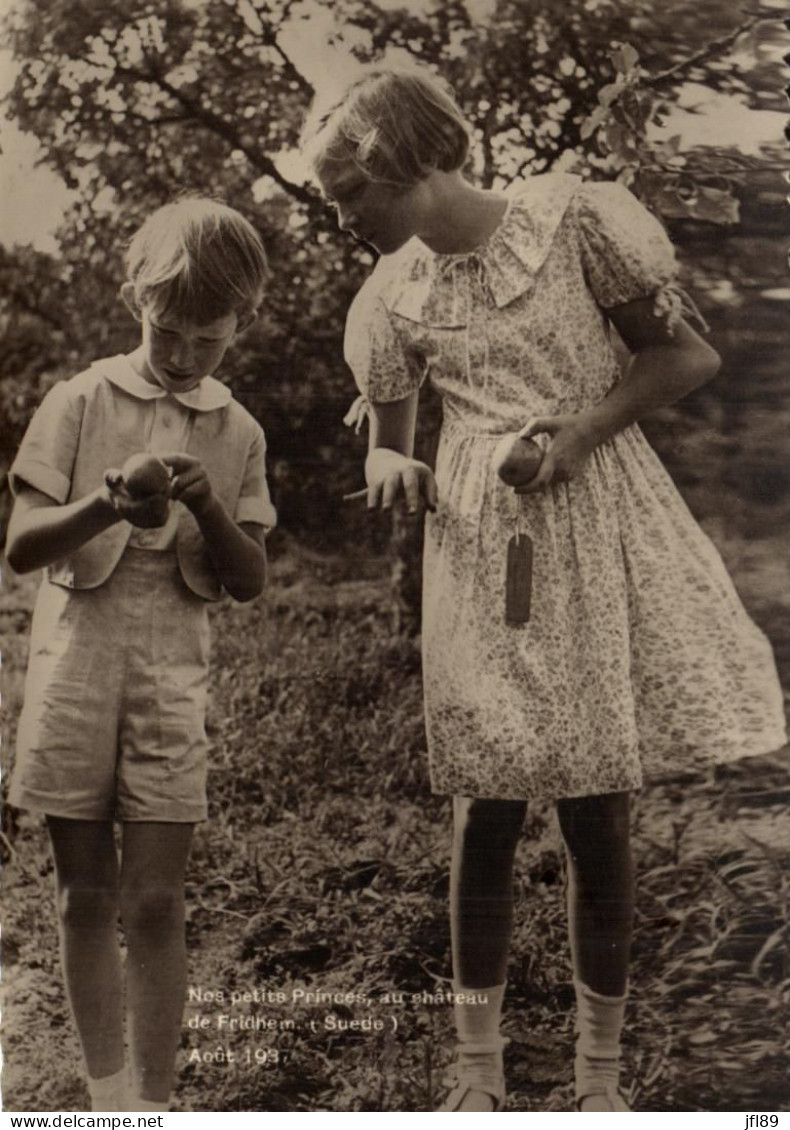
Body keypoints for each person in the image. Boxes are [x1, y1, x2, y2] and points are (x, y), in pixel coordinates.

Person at [301, 68, 787, 1112]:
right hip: (478, 541)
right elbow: (391, 441)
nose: (347, 224)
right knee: (484, 798)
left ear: (403, 167)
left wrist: (570, 437)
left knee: (594, 802)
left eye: (352, 202)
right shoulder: (392, 296)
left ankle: (596, 1082)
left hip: (586, 514)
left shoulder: (571, 223)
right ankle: (476, 1079)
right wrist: (394, 464)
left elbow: (683, 356)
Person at [6, 197, 276, 1112]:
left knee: (157, 904)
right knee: (86, 895)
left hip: (172, 677)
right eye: (170, 333)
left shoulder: (238, 432)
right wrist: (104, 505)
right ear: (135, 301)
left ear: (243, 325)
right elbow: (21, 546)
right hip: (76, 666)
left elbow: (248, 579)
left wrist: (205, 507)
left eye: (210, 340)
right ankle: (107, 1094)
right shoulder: (82, 399)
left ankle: (155, 1105)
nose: (187, 356)